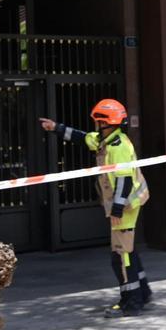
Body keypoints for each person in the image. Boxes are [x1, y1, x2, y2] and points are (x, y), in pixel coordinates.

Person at [40, 98, 152, 318]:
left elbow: (124, 180)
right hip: (126, 204)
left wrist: (118, 209)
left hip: (126, 205)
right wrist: (56, 128)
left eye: (97, 122)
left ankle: (131, 302)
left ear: (104, 122)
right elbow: (83, 138)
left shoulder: (118, 146)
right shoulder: (106, 140)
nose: (95, 126)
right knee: (128, 251)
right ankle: (143, 292)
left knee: (121, 255)